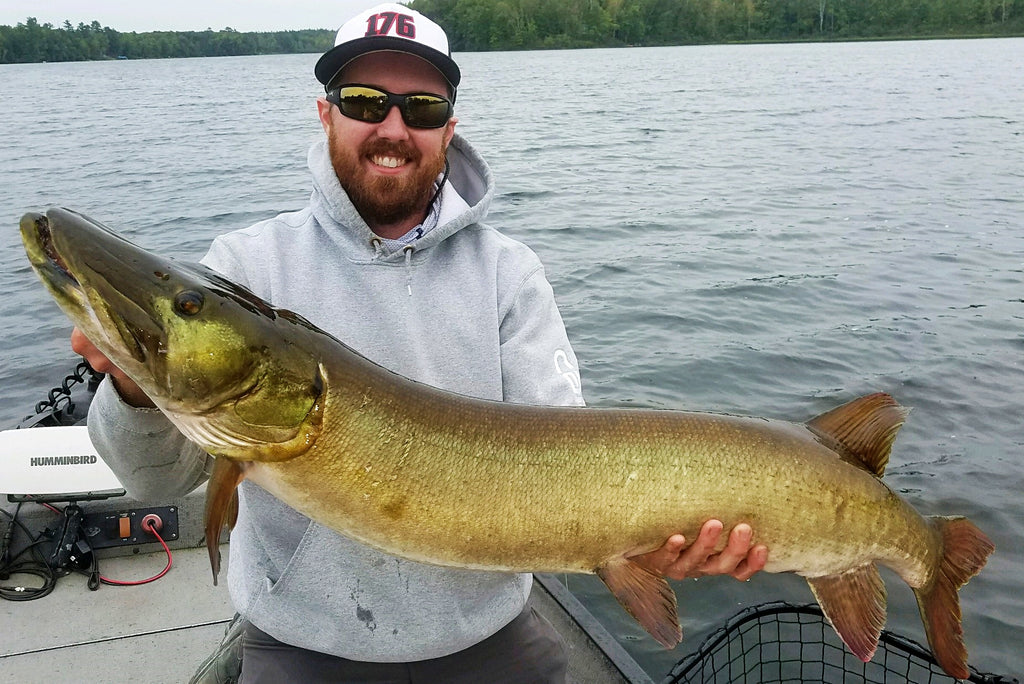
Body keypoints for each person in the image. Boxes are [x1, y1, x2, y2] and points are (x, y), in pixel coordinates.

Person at [71, 4, 767, 682]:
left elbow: (569, 466)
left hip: (486, 638)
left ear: (449, 128)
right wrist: (134, 387)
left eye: (421, 109)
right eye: (365, 102)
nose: (392, 128)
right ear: (326, 114)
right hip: (305, 643)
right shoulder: (247, 267)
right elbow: (157, 482)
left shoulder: (507, 272)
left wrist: (645, 539)